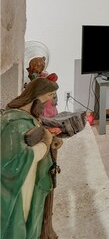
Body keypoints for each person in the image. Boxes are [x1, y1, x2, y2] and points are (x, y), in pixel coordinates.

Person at [1, 78, 61, 239]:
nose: (47, 104)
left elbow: (34, 133)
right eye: (46, 99)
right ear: (35, 98)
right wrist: (45, 145)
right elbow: (11, 164)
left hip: (27, 179)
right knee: (19, 223)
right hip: (17, 188)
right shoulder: (15, 124)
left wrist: (48, 138)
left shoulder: (25, 117)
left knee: (30, 217)